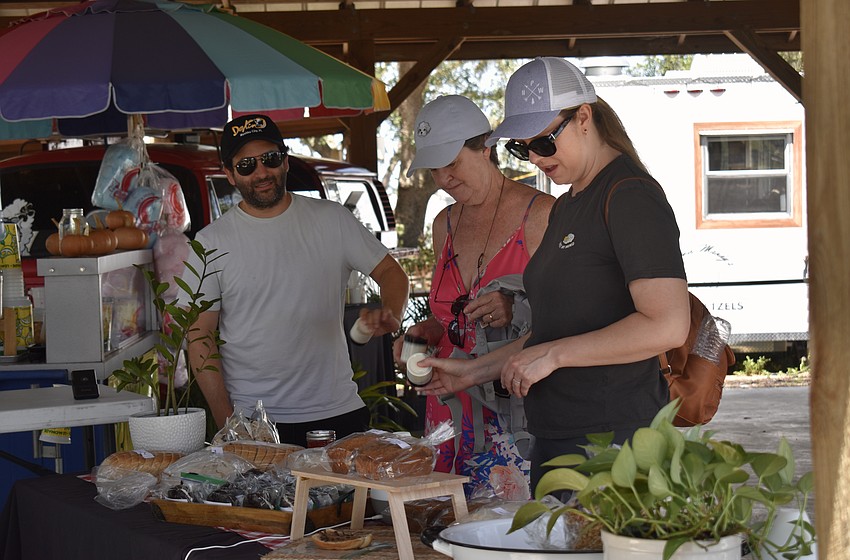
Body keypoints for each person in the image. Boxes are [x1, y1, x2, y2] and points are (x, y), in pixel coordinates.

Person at [416, 58, 690, 492]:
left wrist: (556, 355)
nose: (535, 158)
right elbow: (554, 331)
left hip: (611, 439)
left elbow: (669, 324)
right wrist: (472, 372)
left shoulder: (629, 195)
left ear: (584, 117)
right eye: (521, 148)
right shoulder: (568, 203)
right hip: (557, 434)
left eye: (543, 142)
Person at [180, 114, 409, 446]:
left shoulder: (332, 220)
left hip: (337, 412)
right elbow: (199, 335)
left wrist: (391, 312)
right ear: (229, 173)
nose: (261, 172)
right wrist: (226, 422)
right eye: (246, 165)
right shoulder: (210, 242)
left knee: (349, 500)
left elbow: (391, 272)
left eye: (270, 159)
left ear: (285, 161)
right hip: (255, 422)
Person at [398, 95, 554, 499]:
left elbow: (568, 318)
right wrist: (423, 334)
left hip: (515, 407)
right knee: (446, 528)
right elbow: (454, 319)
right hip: (449, 407)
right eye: (434, 169)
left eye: (451, 163)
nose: (444, 178)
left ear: (485, 148)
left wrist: (515, 307)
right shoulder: (443, 223)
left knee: (516, 535)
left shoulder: (540, 214)